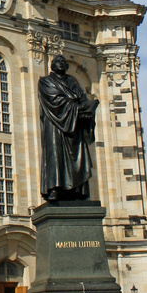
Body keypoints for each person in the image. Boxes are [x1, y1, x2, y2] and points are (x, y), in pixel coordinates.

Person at [39, 54, 99, 201]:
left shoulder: (72, 81)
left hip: (74, 128)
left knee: (78, 157)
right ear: (52, 65)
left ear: (67, 66)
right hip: (55, 125)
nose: (60, 63)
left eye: (63, 61)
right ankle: (54, 188)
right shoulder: (46, 81)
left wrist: (88, 107)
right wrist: (79, 108)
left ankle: (77, 190)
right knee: (55, 156)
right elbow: (54, 100)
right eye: (57, 61)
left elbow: (83, 98)